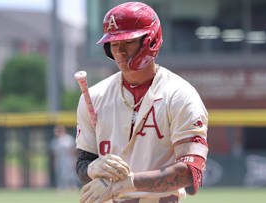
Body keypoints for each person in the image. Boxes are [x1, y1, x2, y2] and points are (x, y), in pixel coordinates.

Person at [76, 2, 209, 203]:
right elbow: (83, 164)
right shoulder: (94, 96)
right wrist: (92, 169)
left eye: (128, 42)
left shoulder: (180, 95)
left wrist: (126, 183)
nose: (119, 51)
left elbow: (190, 174)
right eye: (113, 43)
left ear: (150, 40)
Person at [51, 125, 78, 190]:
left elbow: (73, 150)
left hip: (68, 160)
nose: (56, 132)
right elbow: (54, 153)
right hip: (59, 160)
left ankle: (73, 187)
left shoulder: (68, 139)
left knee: (70, 174)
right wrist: (54, 162)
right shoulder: (55, 141)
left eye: (58, 130)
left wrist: (74, 160)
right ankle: (61, 187)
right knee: (60, 174)